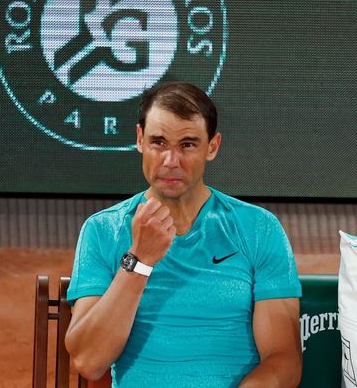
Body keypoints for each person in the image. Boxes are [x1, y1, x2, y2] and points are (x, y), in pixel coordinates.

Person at [65, 82, 302, 387]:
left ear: (212, 147)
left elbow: (284, 359)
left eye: (188, 144)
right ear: (140, 140)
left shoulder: (259, 229)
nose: (170, 161)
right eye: (158, 143)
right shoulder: (102, 230)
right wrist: (139, 261)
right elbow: (88, 361)